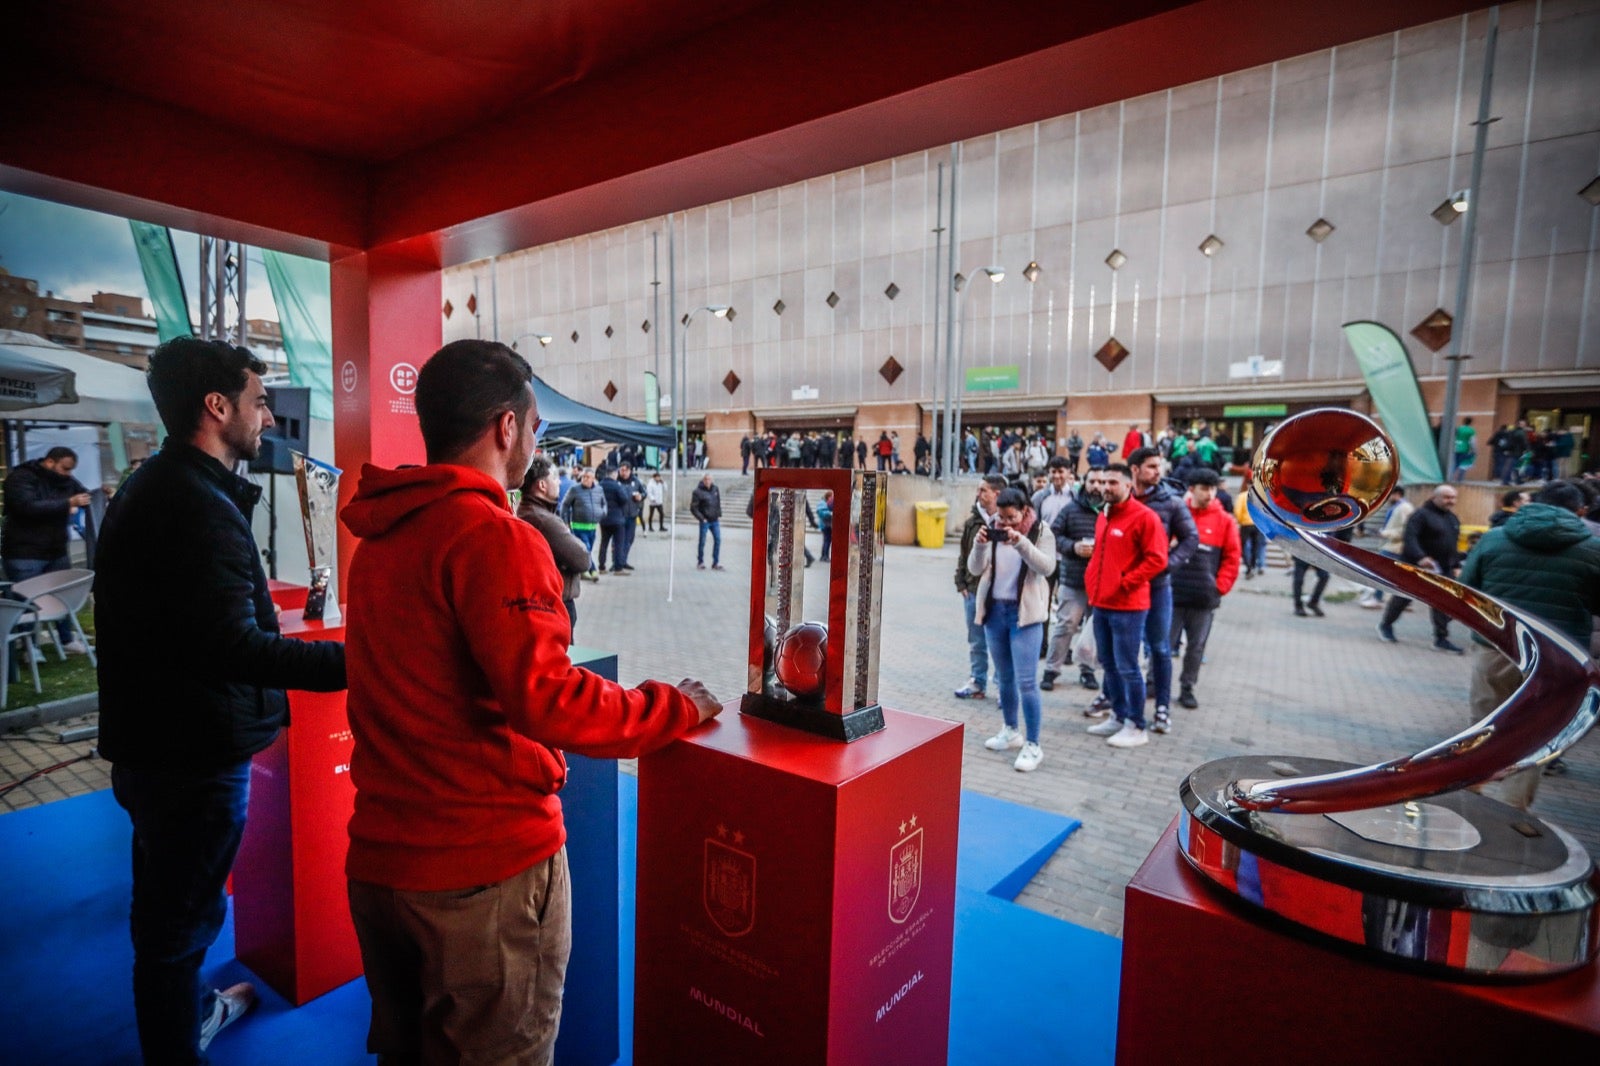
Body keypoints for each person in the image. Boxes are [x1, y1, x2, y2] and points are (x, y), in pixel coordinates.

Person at [339, 339, 722, 1065]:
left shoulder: (382, 538)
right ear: (506, 429)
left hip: (383, 866)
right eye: (537, 425)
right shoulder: (493, 537)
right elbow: (549, 699)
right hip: (479, 879)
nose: (537, 441)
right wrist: (670, 707)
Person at [95, 336, 347, 1064]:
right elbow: (232, 648)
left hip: (161, 745)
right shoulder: (195, 508)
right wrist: (353, 664)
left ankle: (192, 1012)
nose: (267, 417)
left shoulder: (162, 488)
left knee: (172, 913)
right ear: (217, 406)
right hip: (190, 756)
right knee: (179, 924)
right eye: (258, 401)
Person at [1458, 481, 1600, 808]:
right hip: (1557, 657)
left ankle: (1469, 792)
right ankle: (1513, 809)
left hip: (1497, 647)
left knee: (1483, 726)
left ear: (1535, 502)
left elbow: (1466, 588)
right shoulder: (1593, 550)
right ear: (1580, 511)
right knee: (1535, 732)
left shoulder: (1493, 539)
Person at [967, 487, 1056, 772]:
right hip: (995, 613)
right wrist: (980, 545)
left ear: (1024, 510)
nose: (1005, 524)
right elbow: (975, 569)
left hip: (1025, 617)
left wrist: (1021, 543)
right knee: (1003, 678)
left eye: (1011, 518)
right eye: (1001, 517)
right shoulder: (991, 529)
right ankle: (1010, 730)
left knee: (1027, 682)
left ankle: (1033, 744)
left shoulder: (1040, 531)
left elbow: (1047, 568)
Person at [1084, 464, 1168, 748]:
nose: (1106, 487)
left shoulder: (1145, 518)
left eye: (1112, 483)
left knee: (1128, 667)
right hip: (1102, 603)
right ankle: (1119, 716)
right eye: (1103, 482)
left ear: (1128, 485)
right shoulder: (1104, 515)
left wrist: (1126, 582)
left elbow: (1157, 558)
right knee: (1108, 664)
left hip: (1129, 606)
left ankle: (1136, 724)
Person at [1127, 447, 1199, 735]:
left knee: (1160, 648)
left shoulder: (1171, 502)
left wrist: (1167, 565)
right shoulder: (1121, 497)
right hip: (1127, 587)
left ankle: (1162, 708)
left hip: (1157, 587)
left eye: (1160, 466)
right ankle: (1118, 702)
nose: (1158, 472)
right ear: (1134, 469)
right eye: (1152, 466)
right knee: (1125, 649)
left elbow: (1190, 538)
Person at [2, 445, 92, 652]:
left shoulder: (64, 480)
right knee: (25, 598)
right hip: (24, 552)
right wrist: (67, 502)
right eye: (65, 468)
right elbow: (27, 507)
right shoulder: (21, 478)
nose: (68, 474)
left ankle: (66, 638)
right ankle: (29, 644)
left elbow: (81, 492)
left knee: (62, 595)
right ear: (50, 462)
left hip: (56, 549)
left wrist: (94, 495)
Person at [1169, 468, 1241, 710]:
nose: (1210, 494)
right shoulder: (1178, 514)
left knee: (1196, 647)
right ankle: (1154, 683)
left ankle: (1187, 688)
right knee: (1163, 645)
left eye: (1213, 489)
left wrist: (1218, 588)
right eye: (1204, 488)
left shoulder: (1225, 521)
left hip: (1203, 599)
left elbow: (1232, 558)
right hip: (1173, 594)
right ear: (1192, 489)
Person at [1378, 484, 1463, 652]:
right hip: (1416, 566)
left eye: (1453, 498)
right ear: (1434, 497)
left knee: (1444, 602)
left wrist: (1456, 564)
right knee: (1402, 598)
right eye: (1447, 497)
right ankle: (1386, 626)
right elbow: (1410, 538)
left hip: (1442, 569)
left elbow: (1452, 545)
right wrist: (1421, 557)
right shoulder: (1420, 515)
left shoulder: (1452, 519)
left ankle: (1441, 638)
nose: (1451, 501)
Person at [1043, 467, 1105, 694]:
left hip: (1101, 583)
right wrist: (1073, 547)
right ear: (1084, 483)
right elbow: (1053, 536)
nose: (1097, 486)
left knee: (1094, 629)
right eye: (1093, 481)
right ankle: (1051, 669)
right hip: (1074, 579)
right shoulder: (1070, 510)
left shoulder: (1110, 511)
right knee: (1065, 625)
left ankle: (1087, 670)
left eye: (1101, 481)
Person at [518, 456, 592, 634]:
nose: (559, 482)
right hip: (556, 603)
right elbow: (582, 559)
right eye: (554, 478)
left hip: (545, 603)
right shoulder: (543, 520)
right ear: (542, 486)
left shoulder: (532, 512)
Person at [954, 475, 1006, 700]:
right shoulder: (972, 522)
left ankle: (1003, 686)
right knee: (976, 640)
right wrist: (961, 583)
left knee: (1000, 642)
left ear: (997, 494)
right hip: (973, 591)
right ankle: (977, 680)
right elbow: (964, 555)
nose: (979, 494)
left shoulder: (1009, 521)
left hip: (1000, 593)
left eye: (983, 490)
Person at [559, 467, 607, 580]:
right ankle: (593, 571)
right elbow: (565, 505)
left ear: (593, 478)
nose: (585, 479)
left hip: (592, 527)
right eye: (583, 477)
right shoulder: (575, 489)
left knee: (588, 549)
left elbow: (603, 503)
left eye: (588, 477)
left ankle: (583, 569)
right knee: (586, 549)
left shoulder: (599, 489)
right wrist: (566, 522)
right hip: (578, 527)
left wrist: (602, 513)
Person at [597, 468, 632, 574]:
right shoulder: (617, 485)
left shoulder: (600, 485)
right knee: (618, 544)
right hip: (617, 519)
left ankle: (602, 566)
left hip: (604, 519)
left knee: (604, 543)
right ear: (613, 474)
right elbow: (624, 499)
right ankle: (618, 568)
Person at [690, 471, 724, 570]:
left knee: (718, 540)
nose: (708, 481)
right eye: (706, 479)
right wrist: (701, 518)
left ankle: (715, 562)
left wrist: (718, 514)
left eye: (709, 479)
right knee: (702, 541)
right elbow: (693, 508)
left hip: (714, 520)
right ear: (702, 480)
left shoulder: (715, 489)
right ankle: (700, 562)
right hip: (705, 520)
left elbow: (718, 502)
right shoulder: (697, 492)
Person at [1452, 416, 1476, 482]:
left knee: (1455, 464)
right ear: (1471, 422)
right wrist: (1474, 450)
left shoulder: (1459, 429)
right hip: (1464, 449)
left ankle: (1449, 478)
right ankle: (1460, 480)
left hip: (1456, 448)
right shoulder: (1471, 430)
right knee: (1464, 465)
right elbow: (1472, 441)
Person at [817, 489, 835, 561]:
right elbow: (821, 513)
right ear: (828, 497)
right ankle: (825, 556)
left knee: (826, 540)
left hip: (826, 524)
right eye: (831, 496)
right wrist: (830, 513)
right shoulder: (822, 503)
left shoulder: (824, 502)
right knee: (827, 540)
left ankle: (823, 556)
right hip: (825, 524)